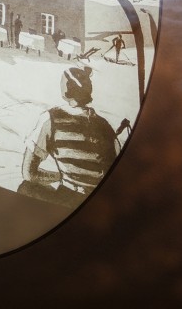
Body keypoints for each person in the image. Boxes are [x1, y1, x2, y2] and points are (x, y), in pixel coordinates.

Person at [19, 66, 117, 206]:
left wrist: (59, 176)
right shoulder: (105, 126)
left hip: (68, 198)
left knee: (26, 188)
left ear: (66, 88)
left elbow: (29, 173)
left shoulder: (51, 119)